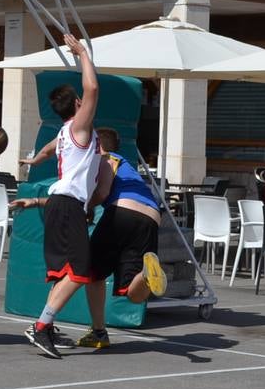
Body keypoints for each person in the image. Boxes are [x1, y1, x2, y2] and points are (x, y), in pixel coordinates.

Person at [12, 127, 168, 350]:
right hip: (151, 219)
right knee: (133, 294)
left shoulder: (106, 158)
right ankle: (145, 275)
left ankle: (90, 330)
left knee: (87, 272)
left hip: (122, 212)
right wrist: (37, 202)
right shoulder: (128, 167)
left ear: (99, 146)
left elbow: (99, 194)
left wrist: (85, 209)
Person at [24, 34, 101, 359]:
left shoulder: (62, 133)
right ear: (77, 106)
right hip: (67, 204)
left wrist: (36, 159)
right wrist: (82, 53)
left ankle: (46, 326)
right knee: (80, 271)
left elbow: (49, 148)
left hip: (59, 204)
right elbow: (93, 89)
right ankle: (42, 327)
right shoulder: (80, 127)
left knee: (64, 271)